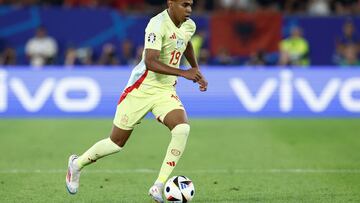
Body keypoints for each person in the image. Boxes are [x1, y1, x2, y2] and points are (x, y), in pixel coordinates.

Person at [65, 1, 208, 203]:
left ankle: (158, 185)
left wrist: (196, 70)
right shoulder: (156, 25)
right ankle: (76, 164)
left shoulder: (189, 25)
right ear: (171, 3)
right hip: (140, 90)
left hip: (164, 91)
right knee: (116, 143)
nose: (189, 9)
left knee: (182, 128)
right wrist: (184, 73)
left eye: (191, 5)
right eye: (184, 5)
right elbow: (150, 61)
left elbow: (185, 43)